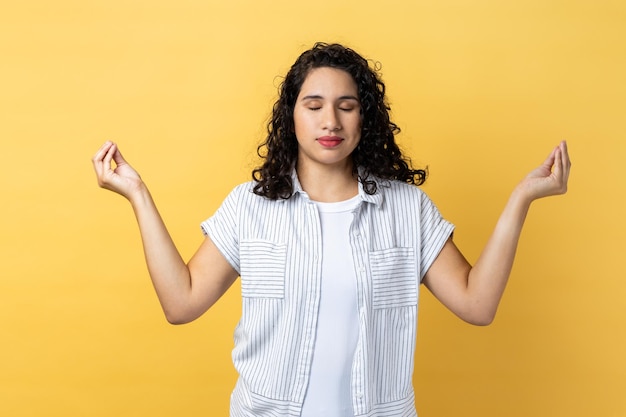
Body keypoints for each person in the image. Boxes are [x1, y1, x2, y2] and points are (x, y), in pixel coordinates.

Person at [92, 42, 571, 417]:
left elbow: (477, 304)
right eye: (314, 104)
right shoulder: (249, 208)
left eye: (347, 105)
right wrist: (137, 193)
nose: (330, 120)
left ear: (366, 117)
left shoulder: (406, 209)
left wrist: (521, 198)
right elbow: (181, 303)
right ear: (291, 116)